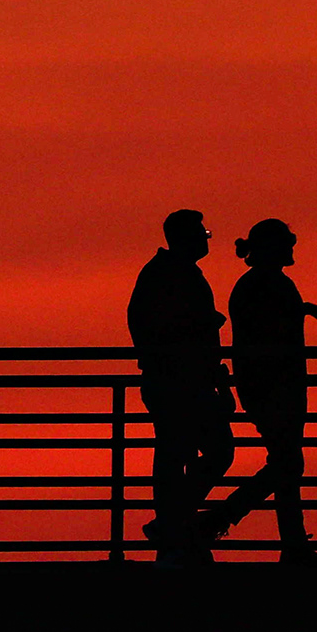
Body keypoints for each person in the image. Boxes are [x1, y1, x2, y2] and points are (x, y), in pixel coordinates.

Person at [210, 217, 317, 561]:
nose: (292, 249)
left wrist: (299, 310)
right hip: (275, 388)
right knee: (288, 463)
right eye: (287, 244)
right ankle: (224, 519)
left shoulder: (258, 284)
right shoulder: (267, 284)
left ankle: (291, 543)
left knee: (286, 462)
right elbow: (268, 331)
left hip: (271, 386)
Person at [125, 207, 234, 561]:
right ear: (184, 238)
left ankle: (174, 523)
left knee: (179, 453)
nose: (206, 239)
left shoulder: (166, 273)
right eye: (203, 233)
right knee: (203, 451)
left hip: (181, 379)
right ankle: (174, 524)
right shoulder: (168, 274)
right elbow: (156, 327)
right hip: (179, 380)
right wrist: (202, 326)